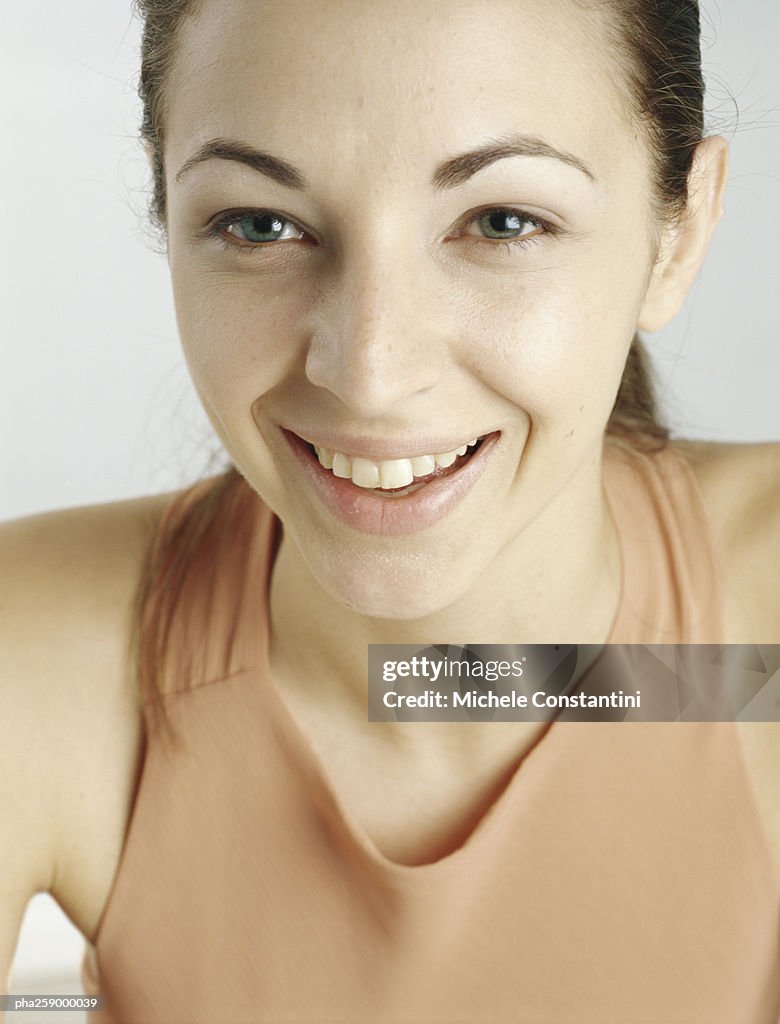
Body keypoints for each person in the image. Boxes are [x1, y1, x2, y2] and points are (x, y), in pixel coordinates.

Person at [1, 1, 779, 1021]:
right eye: (261, 224)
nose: (368, 372)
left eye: (503, 222)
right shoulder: (41, 660)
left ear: (677, 234)